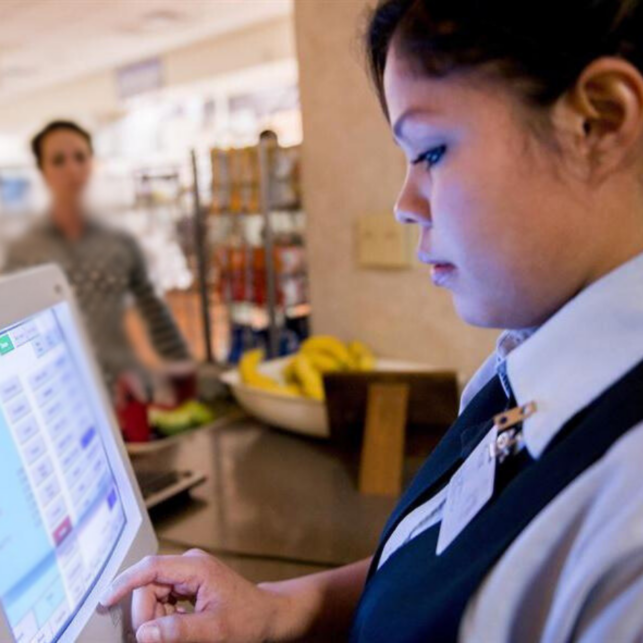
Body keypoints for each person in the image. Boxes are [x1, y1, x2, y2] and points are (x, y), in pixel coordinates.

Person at [101, 0, 643, 641]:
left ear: (598, 120)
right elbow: (452, 556)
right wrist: (283, 607)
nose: (404, 203)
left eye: (433, 152)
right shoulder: (532, 362)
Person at [3, 120, 191, 393]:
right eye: (58, 160)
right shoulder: (24, 252)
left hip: (130, 388)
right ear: (42, 171)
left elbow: (152, 308)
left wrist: (181, 370)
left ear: (92, 163)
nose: (72, 169)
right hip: (64, 391)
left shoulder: (120, 242)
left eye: (80, 157)